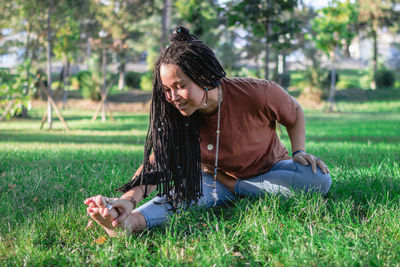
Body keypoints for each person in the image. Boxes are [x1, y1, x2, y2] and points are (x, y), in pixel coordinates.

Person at [84, 26, 331, 236]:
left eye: (180, 86)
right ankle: (126, 223)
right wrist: (128, 200)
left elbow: (295, 112)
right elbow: (157, 163)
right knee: (183, 192)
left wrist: (299, 151)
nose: (172, 97)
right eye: (167, 90)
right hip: (214, 180)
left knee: (319, 179)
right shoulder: (178, 117)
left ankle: (238, 188)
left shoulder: (258, 92)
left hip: (271, 169)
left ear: (202, 76)